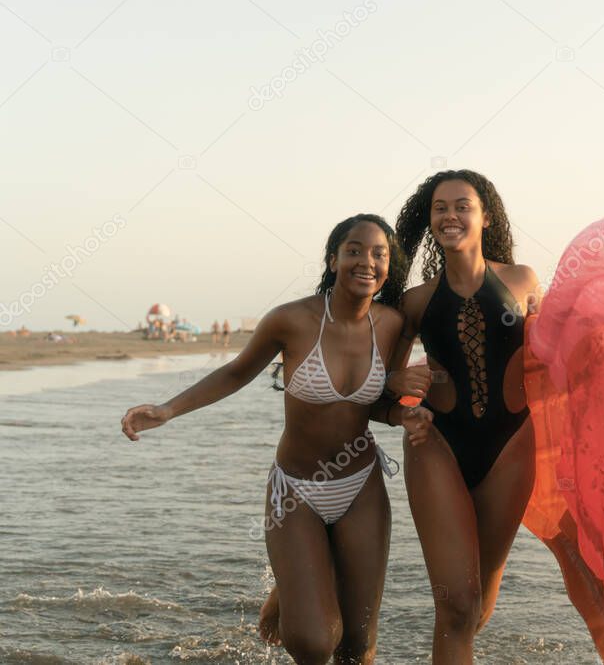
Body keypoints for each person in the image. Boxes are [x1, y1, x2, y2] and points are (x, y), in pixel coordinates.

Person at [120, 215, 432, 664]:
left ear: (389, 266)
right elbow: (235, 372)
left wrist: (405, 416)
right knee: (314, 642)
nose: (367, 261)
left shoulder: (391, 324)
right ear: (333, 259)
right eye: (354, 250)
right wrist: (167, 410)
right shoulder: (291, 320)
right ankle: (293, 589)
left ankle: (299, 585)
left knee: (358, 643)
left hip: (360, 486)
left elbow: (378, 407)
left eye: (379, 254)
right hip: (296, 492)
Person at [386, 170, 540, 662]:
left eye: (462, 206)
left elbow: (556, 353)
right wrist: (401, 393)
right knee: (457, 605)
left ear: (485, 216)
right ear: (430, 220)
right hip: (437, 445)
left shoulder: (522, 281)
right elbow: (382, 377)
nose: (450, 215)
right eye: (440, 208)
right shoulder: (415, 301)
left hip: (511, 449)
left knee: (477, 608)